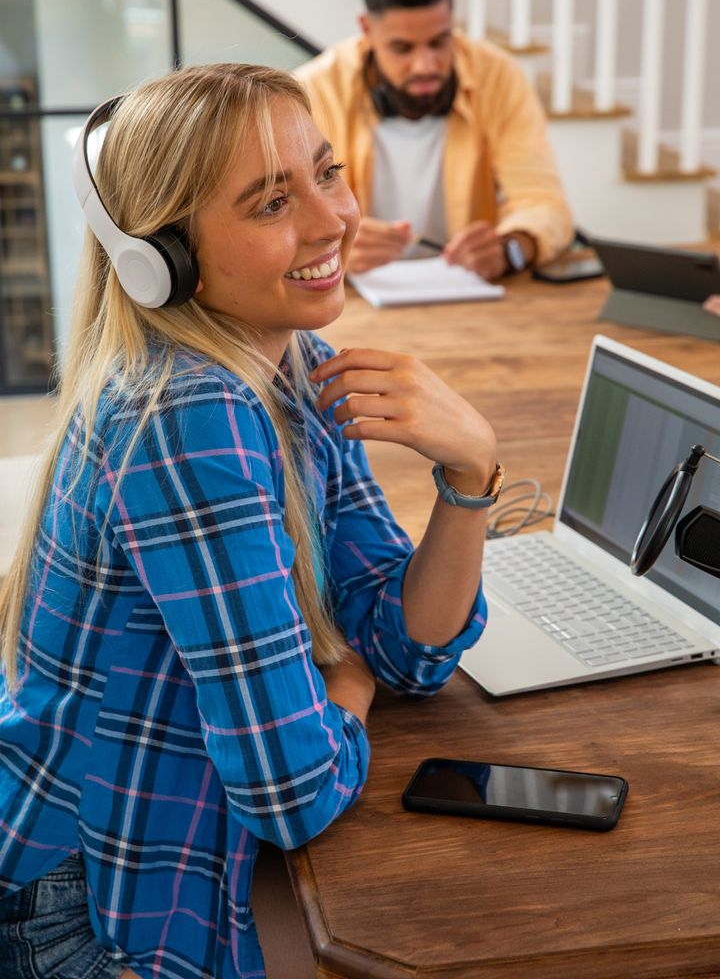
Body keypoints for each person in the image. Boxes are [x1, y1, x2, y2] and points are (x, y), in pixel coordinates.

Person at [0, 63, 500, 978]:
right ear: (164, 256)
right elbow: (292, 788)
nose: (332, 221)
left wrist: (469, 470)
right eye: (272, 203)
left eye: (326, 173)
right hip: (80, 907)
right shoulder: (190, 419)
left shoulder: (296, 360)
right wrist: (342, 684)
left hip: (163, 841)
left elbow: (405, 649)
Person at [296, 0, 574, 279]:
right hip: (349, 304)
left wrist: (510, 248)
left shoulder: (499, 77)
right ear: (367, 30)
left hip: (471, 299)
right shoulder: (313, 90)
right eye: (402, 48)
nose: (425, 65)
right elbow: (285, 218)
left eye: (440, 42)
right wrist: (331, 248)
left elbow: (543, 202)